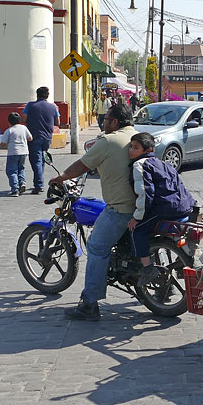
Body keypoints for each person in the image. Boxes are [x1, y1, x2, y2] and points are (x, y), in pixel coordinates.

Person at [49, 104, 137, 321]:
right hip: (144, 207)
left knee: (96, 247)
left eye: (106, 119)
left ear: (115, 122)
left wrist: (60, 178)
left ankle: (89, 304)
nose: (103, 122)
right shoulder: (139, 136)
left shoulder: (107, 141)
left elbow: (82, 165)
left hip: (121, 208)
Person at [127, 132, 196, 286]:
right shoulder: (160, 162)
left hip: (165, 209)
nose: (131, 150)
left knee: (136, 231)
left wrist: (137, 218)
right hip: (184, 206)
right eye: (130, 146)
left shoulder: (140, 165)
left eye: (135, 147)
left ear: (146, 150)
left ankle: (147, 268)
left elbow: (145, 194)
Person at [22, 87, 60, 195]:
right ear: (47, 95)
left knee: (36, 160)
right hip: (47, 137)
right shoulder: (53, 107)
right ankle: (39, 181)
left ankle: (39, 184)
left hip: (34, 137)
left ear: (37, 95)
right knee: (42, 159)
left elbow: (23, 119)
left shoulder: (30, 105)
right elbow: (58, 121)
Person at [0, 112, 32, 196]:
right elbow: (30, 138)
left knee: (11, 171)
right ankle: (22, 183)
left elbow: (3, 143)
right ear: (19, 120)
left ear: (9, 122)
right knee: (21, 168)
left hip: (13, 152)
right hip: (24, 152)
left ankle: (15, 189)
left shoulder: (9, 130)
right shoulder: (24, 128)